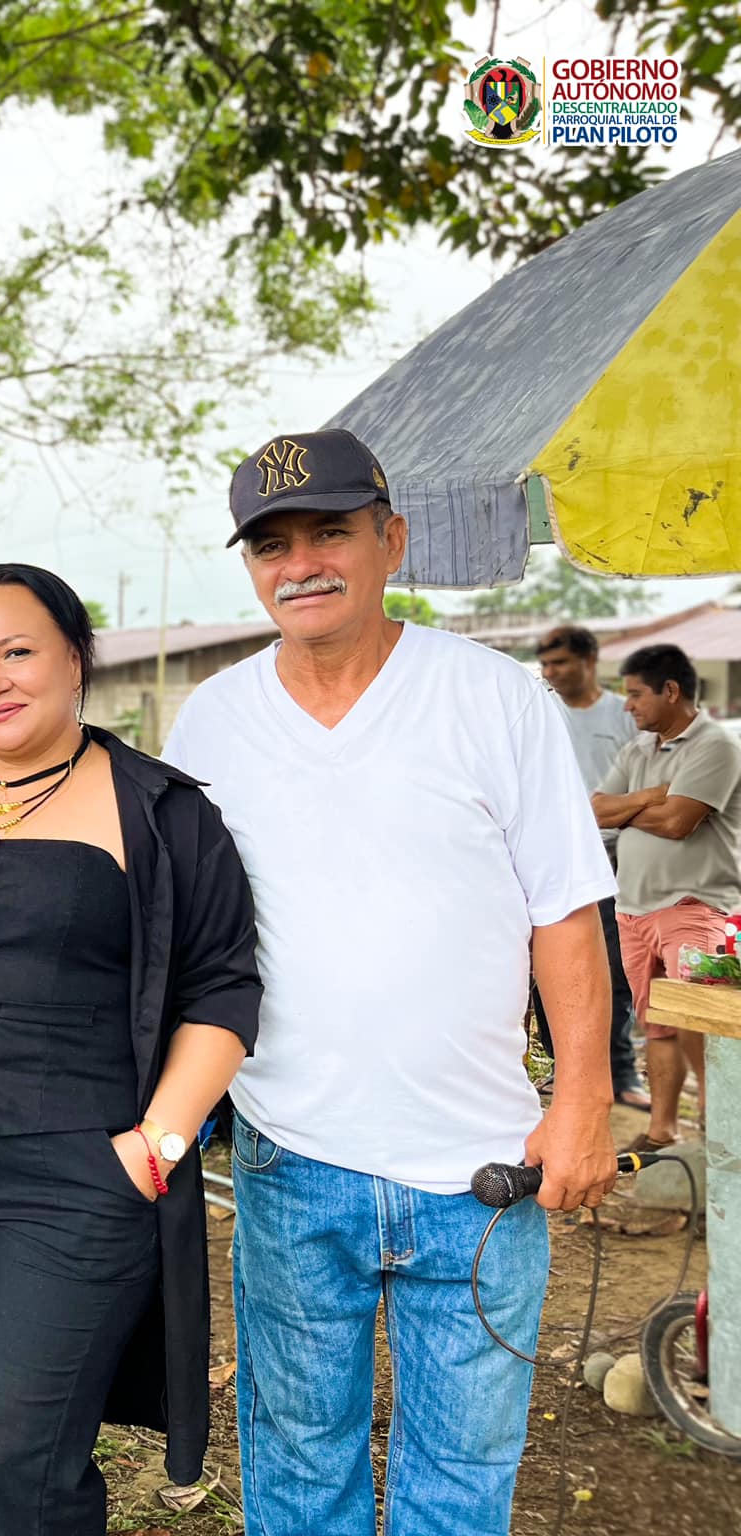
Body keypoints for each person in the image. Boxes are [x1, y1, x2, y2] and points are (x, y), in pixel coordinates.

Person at [163, 428, 618, 1536]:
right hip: (288, 1156)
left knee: (460, 1477)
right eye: (271, 545)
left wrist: (583, 1101)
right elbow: (182, 929)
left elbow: (564, 914)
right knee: (296, 1460)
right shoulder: (212, 720)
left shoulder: (492, 697)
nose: (301, 565)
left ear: (392, 540)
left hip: (478, 1172)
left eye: (329, 532)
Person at [0, 564, 260, 1535]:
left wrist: (154, 1146)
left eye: (17, 652)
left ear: (75, 658)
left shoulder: (160, 812)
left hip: (79, 1183)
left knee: (7, 1463)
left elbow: (222, 988)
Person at [592, 642, 741, 1152]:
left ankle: (722, 1136)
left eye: (636, 694)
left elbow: (679, 822)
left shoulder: (714, 746)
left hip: (693, 907)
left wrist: (628, 810)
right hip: (634, 911)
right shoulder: (638, 751)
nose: (627, 705)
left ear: (671, 691)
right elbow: (594, 811)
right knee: (658, 1029)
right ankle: (662, 1132)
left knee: (703, 1024)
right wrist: (652, 796)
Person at [534, 623, 648, 1109]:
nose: (551, 672)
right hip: (547, 854)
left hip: (611, 856)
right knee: (548, 966)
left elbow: (650, 785)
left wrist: (620, 810)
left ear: (589, 662)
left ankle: (621, 1074)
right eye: (545, 663)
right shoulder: (538, 710)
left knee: (614, 968)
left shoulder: (623, 715)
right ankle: (563, 1070)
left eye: (560, 662)